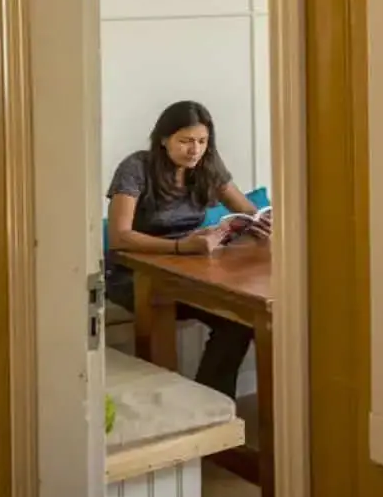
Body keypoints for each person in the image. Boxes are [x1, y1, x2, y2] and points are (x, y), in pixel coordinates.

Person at [104, 100, 270, 398]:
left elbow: (246, 209)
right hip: (133, 272)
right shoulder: (136, 167)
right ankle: (175, 411)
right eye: (186, 141)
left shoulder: (207, 165)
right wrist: (182, 246)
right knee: (160, 310)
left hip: (190, 266)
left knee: (237, 323)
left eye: (202, 141)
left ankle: (210, 406)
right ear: (164, 139)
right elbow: (119, 237)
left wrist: (260, 222)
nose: (194, 150)